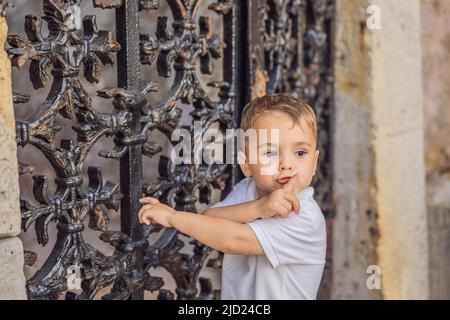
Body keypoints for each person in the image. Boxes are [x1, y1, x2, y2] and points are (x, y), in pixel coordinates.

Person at [139, 93, 326, 299]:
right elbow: (210, 218)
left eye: (300, 153)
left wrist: (172, 217)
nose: (286, 164)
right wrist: (258, 207)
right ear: (246, 165)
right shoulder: (248, 189)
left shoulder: (304, 216)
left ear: (314, 162)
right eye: (270, 153)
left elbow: (234, 239)